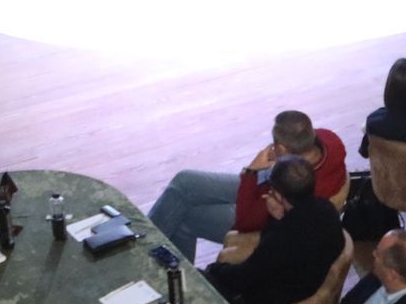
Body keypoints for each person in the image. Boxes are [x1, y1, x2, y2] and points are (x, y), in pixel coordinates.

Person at [148, 110, 349, 257]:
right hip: (266, 184)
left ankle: (147, 257)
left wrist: (251, 172)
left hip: (260, 213)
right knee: (184, 180)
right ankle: (145, 241)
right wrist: (279, 161)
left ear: (281, 149)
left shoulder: (292, 186)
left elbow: (245, 221)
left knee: (186, 219)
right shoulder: (330, 140)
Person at [204, 155, 345, 304]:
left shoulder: (283, 237)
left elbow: (243, 277)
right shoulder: (328, 210)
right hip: (303, 284)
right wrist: (280, 217)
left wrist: (214, 269)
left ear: (278, 195)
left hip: (268, 303)